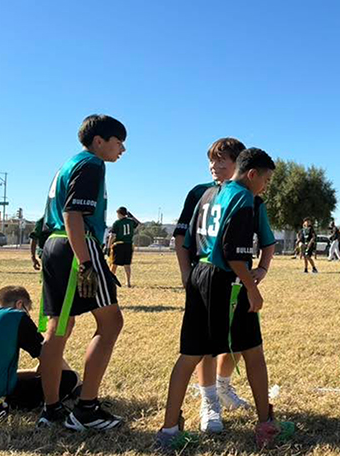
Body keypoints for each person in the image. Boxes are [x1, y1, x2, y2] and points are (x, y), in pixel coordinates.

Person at [156, 148, 283, 450]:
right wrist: (252, 287)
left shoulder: (208, 196)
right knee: (253, 352)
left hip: (200, 273)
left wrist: (190, 275)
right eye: (265, 180)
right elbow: (233, 251)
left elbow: (188, 241)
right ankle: (266, 425)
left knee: (190, 354)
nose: (265, 186)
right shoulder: (243, 197)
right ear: (252, 174)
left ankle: (169, 430)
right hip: (227, 281)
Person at [37, 114, 126, 430]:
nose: (122, 149)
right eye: (118, 142)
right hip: (77, 247)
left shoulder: (68, 164)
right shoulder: (91, 163)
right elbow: (73, 214)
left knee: (58, 329)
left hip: (54, 245)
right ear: (99, 141)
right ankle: (86, 409)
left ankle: (51, 409)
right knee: (111, 321)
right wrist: (87, 263)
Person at [172, 137, 253, 433]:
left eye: (222, 160)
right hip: (205, 277)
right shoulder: (199, 193)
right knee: (204, 345)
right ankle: (209, 402)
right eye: (211, 160)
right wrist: (185, 273)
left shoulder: (247, 193)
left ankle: (223, 387)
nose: (214, 166)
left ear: (239, 164)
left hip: (234, 278)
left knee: (239, 339)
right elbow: (181, 238)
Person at [0, 286, 80, 417]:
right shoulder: (15, 316)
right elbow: (50, 359)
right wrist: (78, 382)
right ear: (20, 304)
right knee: (69, 378)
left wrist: (32, 372)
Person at [107, 207, 140, 287]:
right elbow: (138, 224)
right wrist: (131, 216)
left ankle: (110, 281)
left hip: (119, 245)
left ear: (119, 214)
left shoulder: (117, 223)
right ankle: (128, 282)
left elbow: (113, 236)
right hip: (128, 245)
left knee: (114, 264)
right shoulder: (131, 222)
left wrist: (108, 246)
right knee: (127, 264)